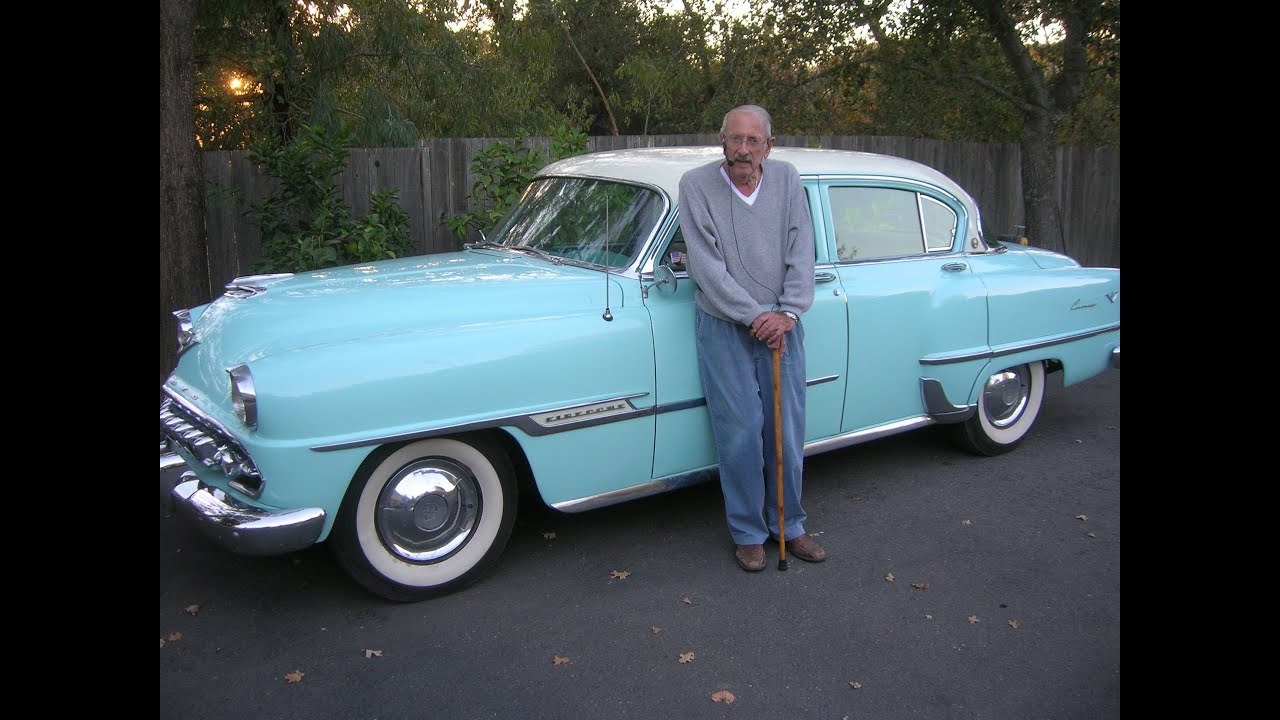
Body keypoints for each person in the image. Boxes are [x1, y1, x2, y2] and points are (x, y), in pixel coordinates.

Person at [679, 104, 826, 572]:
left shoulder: (786, 180)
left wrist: (787, 312)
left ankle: (790, 524)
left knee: (786, 430)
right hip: (724, 325)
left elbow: (803, 251)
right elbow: (706, 266)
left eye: (753, 141)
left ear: (769, 145)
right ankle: (748, 532)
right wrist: (753, 315)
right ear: (722, 141)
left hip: (783, 326)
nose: (743, 150)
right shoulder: (695, 185)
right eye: (735, 139)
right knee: (740, 430)